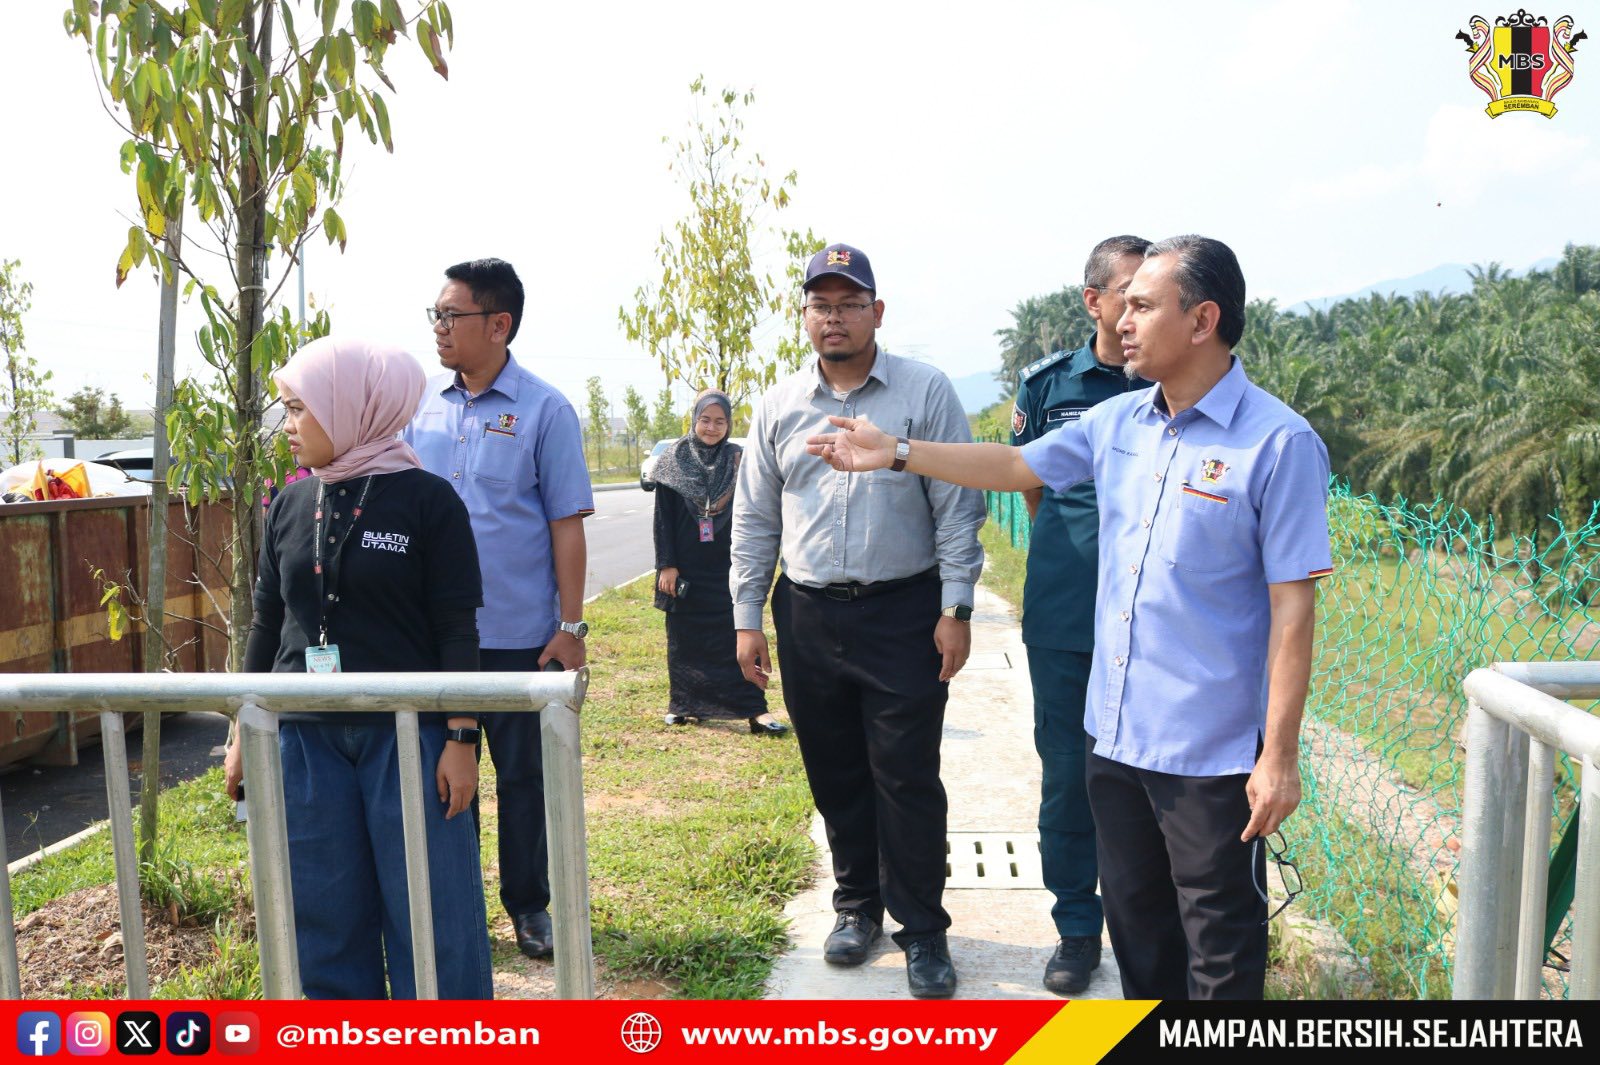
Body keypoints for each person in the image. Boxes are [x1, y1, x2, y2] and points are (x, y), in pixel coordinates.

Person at [805, 235, 1332, 1000]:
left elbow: (1293, 611)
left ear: (1202, 320)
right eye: (1124, 302)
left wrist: (1277, 754)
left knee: (1219, 957)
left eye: (1144, 305)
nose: (1123, 320)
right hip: (1113, 741)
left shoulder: (1278, 442)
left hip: (1209, 757)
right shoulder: (1119, 422)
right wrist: (897, 452)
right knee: (1142, 942)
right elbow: (1015, 465)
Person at [730, 242, 985, 999]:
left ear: (877, 312)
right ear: (805, 315)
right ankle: (856, 907)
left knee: (906, 775)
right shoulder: (779, 404)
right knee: (835, 769)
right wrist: (748, 616)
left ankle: (923, 929)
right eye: (821, 304)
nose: (833, 317)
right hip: (808, 611)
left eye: (849, 304)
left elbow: (958, 505)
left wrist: (956, 606)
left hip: (904, 611)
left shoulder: (924, 390)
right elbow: (754, 518)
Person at [223, 336, 493, 999]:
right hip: (305, 739)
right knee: (322, 919)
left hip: (407, 738)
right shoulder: (288, 503)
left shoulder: (429, 501)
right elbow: (267, 624)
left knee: (432, 917)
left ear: (351, 407)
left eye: (299, 409)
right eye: (287, 409)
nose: (288, 426)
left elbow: (457, 629)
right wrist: (240, 730)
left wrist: (462, 737)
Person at [404, 257, 593, 961]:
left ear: (498, 324)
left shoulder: (546, 410)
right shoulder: (420, 406)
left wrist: (569, 627)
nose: (439, 327)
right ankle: (455, 904)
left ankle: (529, 904)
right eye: (436, 314)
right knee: (443, 773)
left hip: (517, 635)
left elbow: (565, 525)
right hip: (434, 639)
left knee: (522, 780)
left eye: (451, 315)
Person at [1009, 234, 1152, 995]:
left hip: (1158, 622)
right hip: (1067, 615)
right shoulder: (1048, 386)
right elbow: (1031, 485)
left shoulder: (1171, 379)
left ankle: (1148, 926)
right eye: (1128, 291)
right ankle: (1076, 926)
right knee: (1069, 775)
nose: (1139, 307)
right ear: (1094, 301)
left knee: (1152, 778)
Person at [652, 387, 788, 736]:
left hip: (729, 566)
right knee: (685, 640)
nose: (711, 428)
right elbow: (663, 518)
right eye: (705, 420)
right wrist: (666, 564)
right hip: (685, 569)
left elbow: (756, 511)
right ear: (694, 420)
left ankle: (755, 709)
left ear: (728, 426)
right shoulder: (672, 460)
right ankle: (684, 705)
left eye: (720, 421)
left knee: (739, 634)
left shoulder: (739, 461)